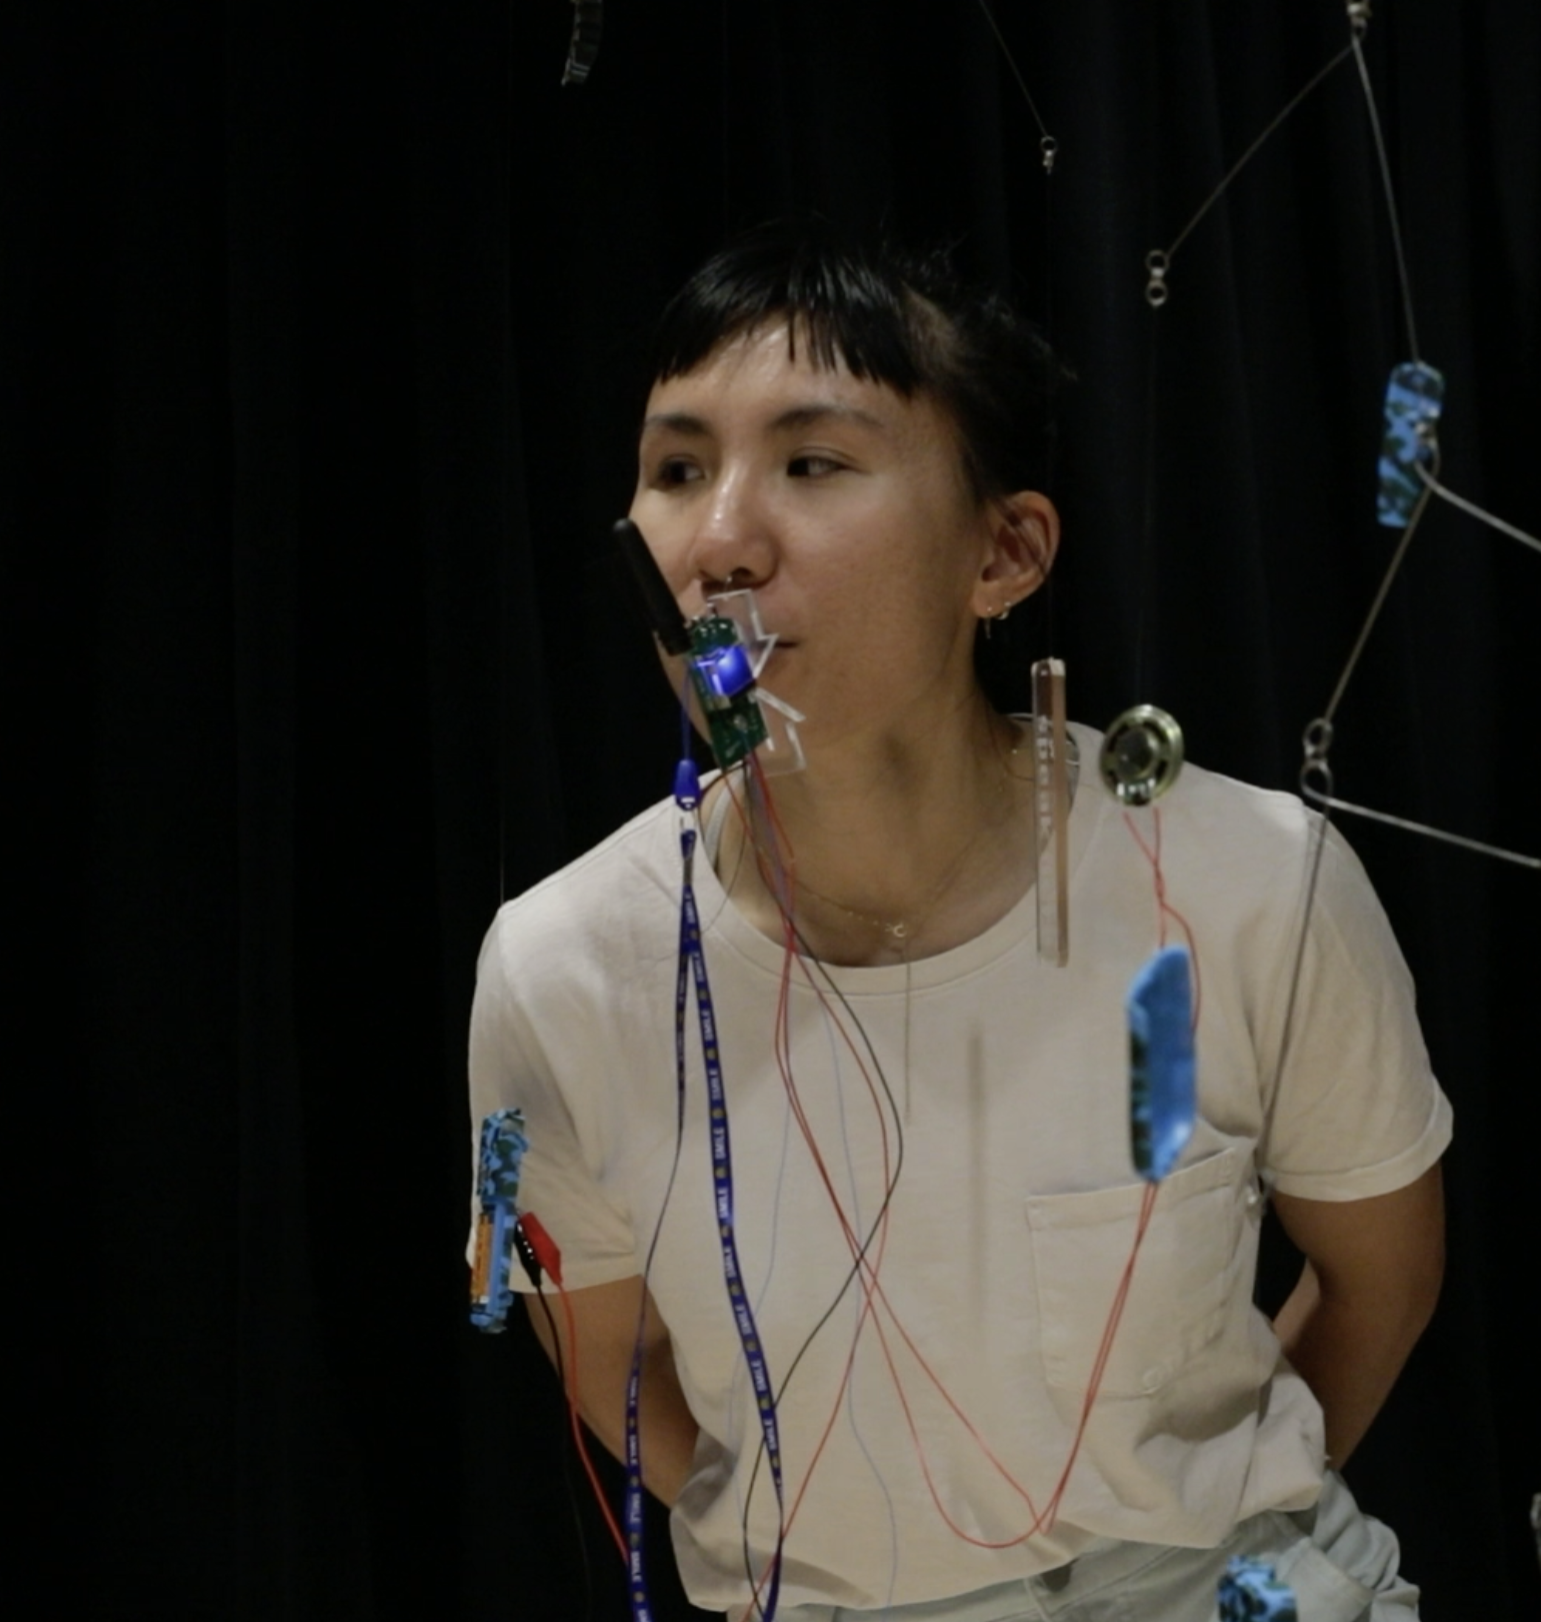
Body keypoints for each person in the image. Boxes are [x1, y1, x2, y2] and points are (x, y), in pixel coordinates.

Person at [468, 225, 1451, 1622]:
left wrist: (1187, 1547)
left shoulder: (1248, 886)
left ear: (1005, 552)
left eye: (812, 462)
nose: (721, 540)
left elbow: (1380, 1279)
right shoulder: (560, 969)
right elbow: (616, 1373)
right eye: (678, 469)